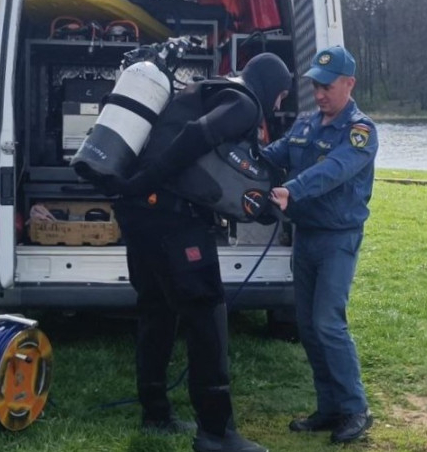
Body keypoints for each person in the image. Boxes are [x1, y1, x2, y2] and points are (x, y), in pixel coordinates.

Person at [111, 53, 292, 452]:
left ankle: (155, 413)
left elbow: (212, 167)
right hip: (171, 215)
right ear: (269, 86)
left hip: (138, 211)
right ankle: (216, 432)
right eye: (280, 96)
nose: (277, 106)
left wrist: (255, 205)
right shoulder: (244, 102)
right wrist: (149, 180)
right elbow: (197, 136)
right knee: (207, 312)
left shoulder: (210, 89)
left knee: (157, 309)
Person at [261, 45, 378, 444]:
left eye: (327, 86)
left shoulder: (360, 132)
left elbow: (333, 170)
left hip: (337, 240)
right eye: (315, 86)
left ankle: (355, 409)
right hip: (306, 237)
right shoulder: (305, 124)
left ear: (349, 84)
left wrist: (292, 189)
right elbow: (274, 155)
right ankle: (329, 408)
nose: (319, 93)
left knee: (329, 323)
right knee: (308, 327)